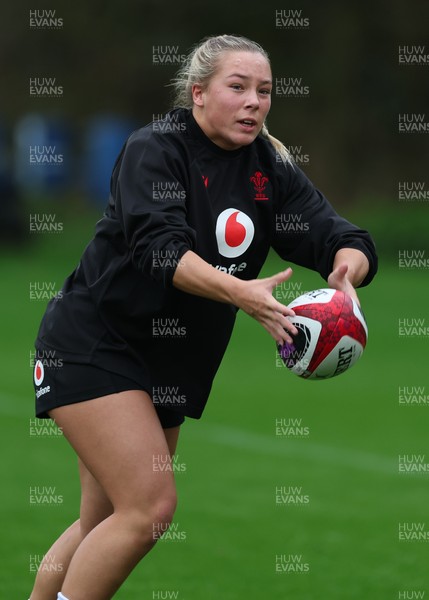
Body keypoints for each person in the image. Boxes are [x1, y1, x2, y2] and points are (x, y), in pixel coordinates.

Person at [30, 34, 377, 600]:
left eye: (264, 91)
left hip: (169, 362)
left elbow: (339, 234)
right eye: (237, 87)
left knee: (105, 520)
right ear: (197, 93)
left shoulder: (270, 166)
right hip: (94, 343)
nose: (254, 102)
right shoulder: (156, 149)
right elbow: (160, 250)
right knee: (149, 508)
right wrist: (241, 292)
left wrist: (346, 272)